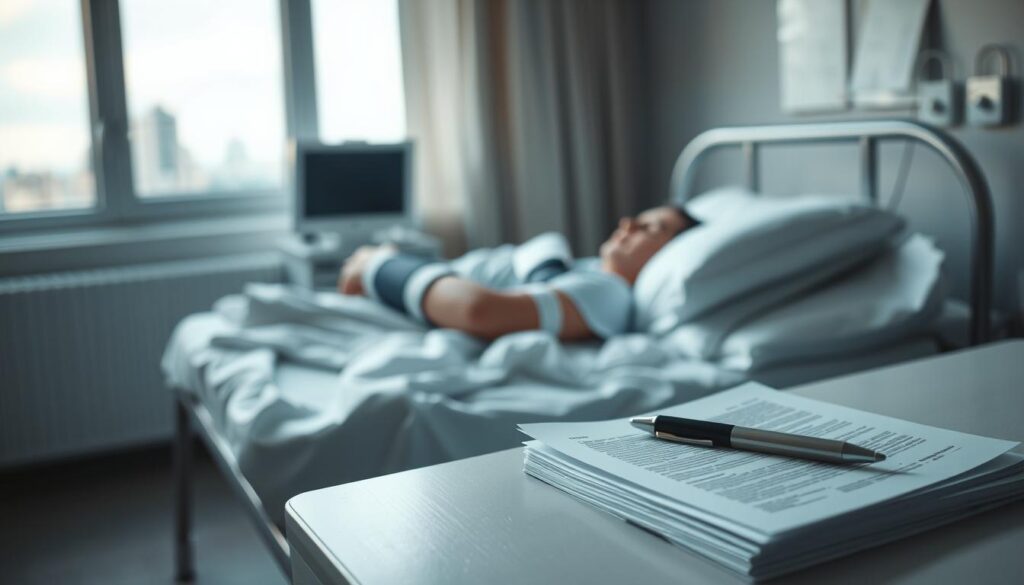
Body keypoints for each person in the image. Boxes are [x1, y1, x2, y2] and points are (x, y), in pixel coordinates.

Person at [338, 206, 697, 341]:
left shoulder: (608, 292)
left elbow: (480, 311)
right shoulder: (584, 268)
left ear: (673, 255)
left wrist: (378, 267)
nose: (628, 222)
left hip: (406, 288)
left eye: (652, 227)